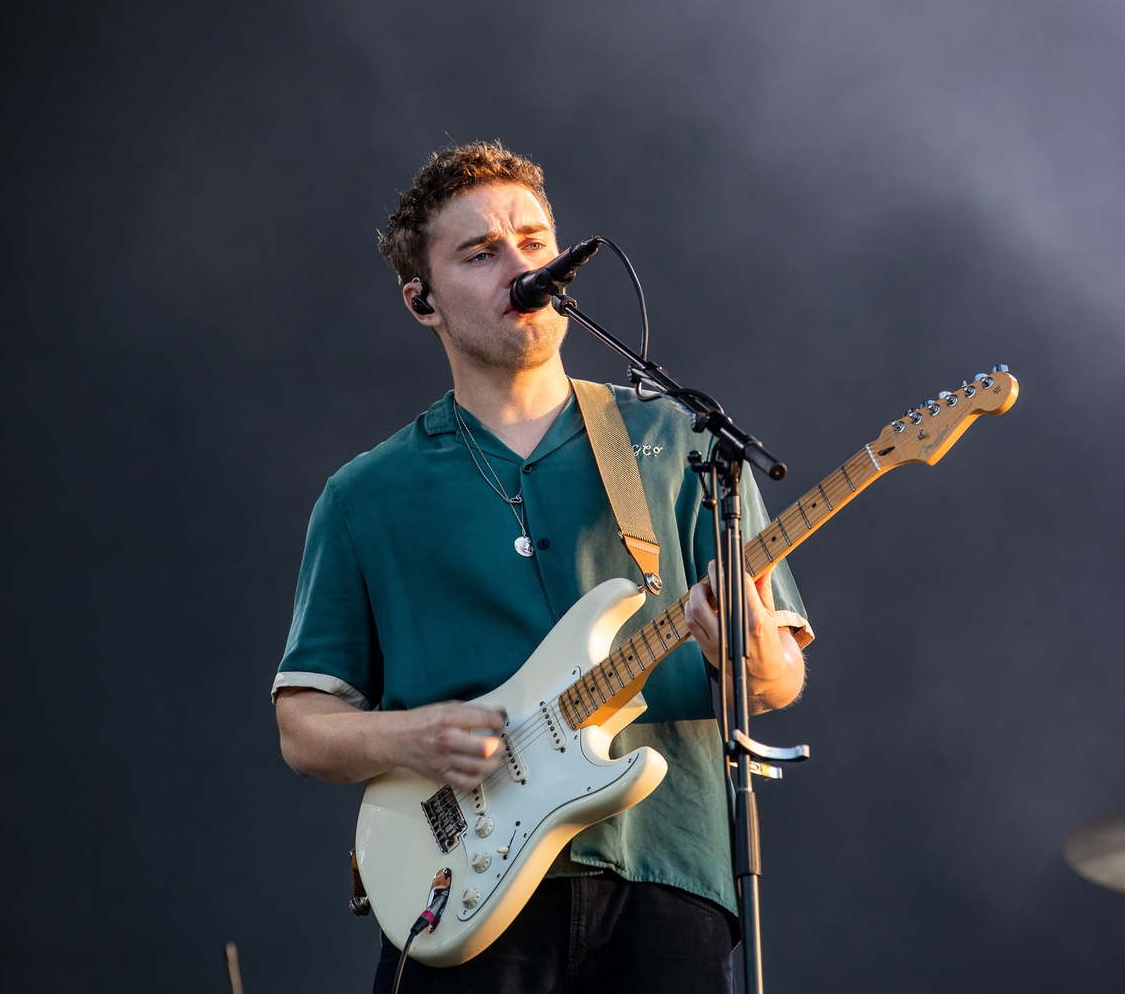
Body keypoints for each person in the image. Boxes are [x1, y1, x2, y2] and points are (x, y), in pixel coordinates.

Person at [271, 141, 812, 994]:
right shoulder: (365, 497)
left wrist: (748, 649)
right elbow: (303, 725)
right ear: (421, 301)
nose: (522, 267)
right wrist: (415, 736)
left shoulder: (684, 446)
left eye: (533, 240)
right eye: (480, 255)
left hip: (665, 875)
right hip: (459, 897)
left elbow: (778, 681)